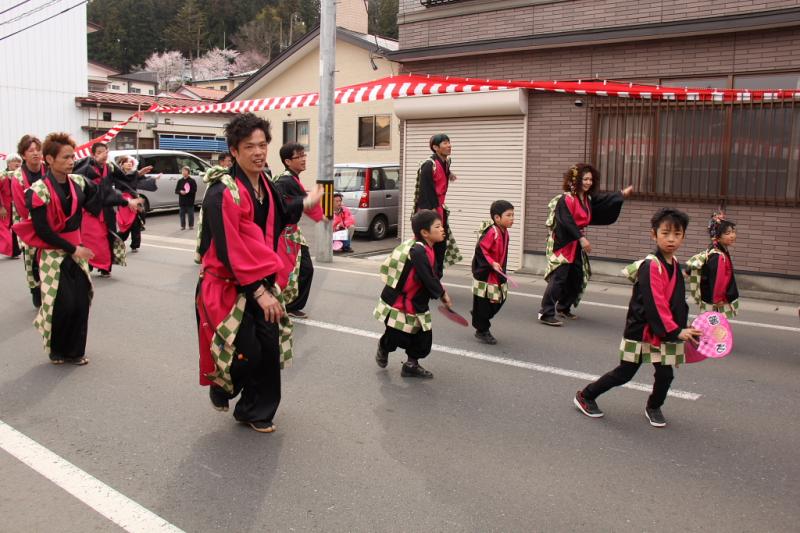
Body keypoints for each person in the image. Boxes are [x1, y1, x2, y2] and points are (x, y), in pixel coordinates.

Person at [196, 113, 323, 433]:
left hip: (260, 279)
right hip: (228, 284)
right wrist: (258, 291)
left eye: (263, 145)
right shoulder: (222, 191)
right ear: (234, 151)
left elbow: (281, 214)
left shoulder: (266, 184)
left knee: (268, 349)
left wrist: (309, 202)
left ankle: (256, 411)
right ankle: (223, 386)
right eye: (249, 146)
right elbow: (228, 248)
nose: (258, 152)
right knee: (247, 351)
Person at [13, 133, 140, 365]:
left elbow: (102, 194)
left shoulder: (79, 182)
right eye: (65, 157)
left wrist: (126, 201)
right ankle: (57, 349)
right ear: (49, 160)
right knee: (63, 304)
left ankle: (75, 351)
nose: (72, 161)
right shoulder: (38, 190)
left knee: (81, 302)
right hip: (53, 253)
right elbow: (43, 231)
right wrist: (73, 248)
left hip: (76, 250)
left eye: (73, 156)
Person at [573, 208, 702, 428]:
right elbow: (655, 305)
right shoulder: (651, 266)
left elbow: (677, 302)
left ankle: (653, 406)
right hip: (642, 331)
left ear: (683, 236)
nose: (671, 239)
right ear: (654, 235)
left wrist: (683, 328)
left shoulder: (673, 264)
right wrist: (675, 331)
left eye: (677, 234)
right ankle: (586, 395)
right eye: (665, 233)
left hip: (663, 330)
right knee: (625, 373)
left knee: (665, 375)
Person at [538, 163, 634, 327]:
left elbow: (604, 200)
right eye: (585, 179)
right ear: (575, 180)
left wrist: (621, 195)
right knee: (559, 277)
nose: (589, 182)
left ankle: (563, 307)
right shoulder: (566, 199)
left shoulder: (588, 198)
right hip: (563, 242)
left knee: (578, 276)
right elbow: (566, 222)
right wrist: (582, 239)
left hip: (575, 242)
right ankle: (545, 313)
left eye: (590, 179)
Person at [373, 209, 452, 379]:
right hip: (400, 302)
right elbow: (427, 276)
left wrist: (439, 289)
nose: (442, 229)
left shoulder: (431, 248)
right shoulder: (418, 251)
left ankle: (411, 365)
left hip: (417, 302)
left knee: (423, 336)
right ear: (425, 232)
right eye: (437, 226)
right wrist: (442, 294)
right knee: (395, 336)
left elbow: (433, 275)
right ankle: (383, 347)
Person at [272, 143, 323, 319]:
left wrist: (320, 213)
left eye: (304, 155)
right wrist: (310, 203)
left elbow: (301, 200)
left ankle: (289, 304)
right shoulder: (284, 181)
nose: (303, 159)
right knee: (289, 273)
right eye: (298, 156)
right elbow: (284, 204)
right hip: (283, 236)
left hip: (293, 233)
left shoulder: (291, 179)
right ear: (287, 161)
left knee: (302, 270)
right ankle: (284, 304)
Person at [73, 143, 133, 277]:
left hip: (106, 208)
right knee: (89, 238)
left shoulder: (110, 167)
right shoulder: (85, 168)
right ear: (93, 154)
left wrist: (138, 174)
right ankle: (88, 263)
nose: (104, 154)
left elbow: (123, 179)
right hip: (90, 209)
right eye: (100, 152)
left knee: (107, 237)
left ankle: (105, 266)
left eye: (106, 151)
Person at [413, 133, 461, 277]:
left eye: (449, 142)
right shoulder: (429, 165)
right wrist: (433, 215)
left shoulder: (446, 161)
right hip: (429, 210)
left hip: (439, 208)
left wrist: (450, 174)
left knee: (441, 243)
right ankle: (426, 275)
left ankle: (436, 275)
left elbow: (443, 171)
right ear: (435, 147)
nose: (449, 145)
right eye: (445, 143)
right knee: (429, 244)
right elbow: (426, 190)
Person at [9, 135, 46, 306]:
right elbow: (22, 206)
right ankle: (35, 290)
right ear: (23, 155)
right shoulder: (18, 176)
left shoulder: (49, 169)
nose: (36, 153)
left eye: (38, 149)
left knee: (49, 256)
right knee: (31, 259)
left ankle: (50, 288)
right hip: (28, 222)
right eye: (31, 150)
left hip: (50, 219)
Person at [471, 200, 514, 345]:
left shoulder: (505, 232)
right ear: (497, 218)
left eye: (513, 215)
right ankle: (482, 330)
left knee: (500, 299)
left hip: (497, 273)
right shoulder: (492, 232)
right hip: (487, 273)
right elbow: (481, 250)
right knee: (486, 302)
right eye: (508, 215)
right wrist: (491, 263)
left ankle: (478, 316)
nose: (512, 218)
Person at [686, 211, 739, 318]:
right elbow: (718, 279)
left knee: (710, 323)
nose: (732, 235)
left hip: (711, 296)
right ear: (717, 237)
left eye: (733, 232)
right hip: (715, 299)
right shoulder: (718, 255)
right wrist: (718, 299)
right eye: (728, 233)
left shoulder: (717, 251)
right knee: (712, 325)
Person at [113, 155, 157, 253]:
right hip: (124, 202)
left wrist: (150, 176)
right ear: (121, 164)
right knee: (126, 226)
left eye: (131, 162)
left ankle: (135, 245)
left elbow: (139, 177)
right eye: (127, 162)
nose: (129, 164)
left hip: (134, 200)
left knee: (136, 224)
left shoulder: (133, 174)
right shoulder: (118, 175)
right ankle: (115, 240)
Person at [0, 155, 23, 258]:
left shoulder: (19, 175)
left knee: (15, 229)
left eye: (19, 161)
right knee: (3, 230)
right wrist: (1, 207)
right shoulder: (3, 175)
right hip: (4, 207)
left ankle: (14, 251)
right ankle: (10, 250)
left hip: (15, 208)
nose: (17, 163)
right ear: (8, 163)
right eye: (14, 161)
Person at [175, 166, 197, 230]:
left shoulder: (192, 181)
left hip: (190, 200)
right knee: (182, 214)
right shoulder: (180, 181)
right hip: (182, 200)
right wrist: (180, 191)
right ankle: (183, 226)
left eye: (185, 171)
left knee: (190, 214)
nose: (184, 172)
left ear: (188, 172)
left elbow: (194, 190)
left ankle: (191, 225)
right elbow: (176, 190)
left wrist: (187, 192)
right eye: (183, 171)